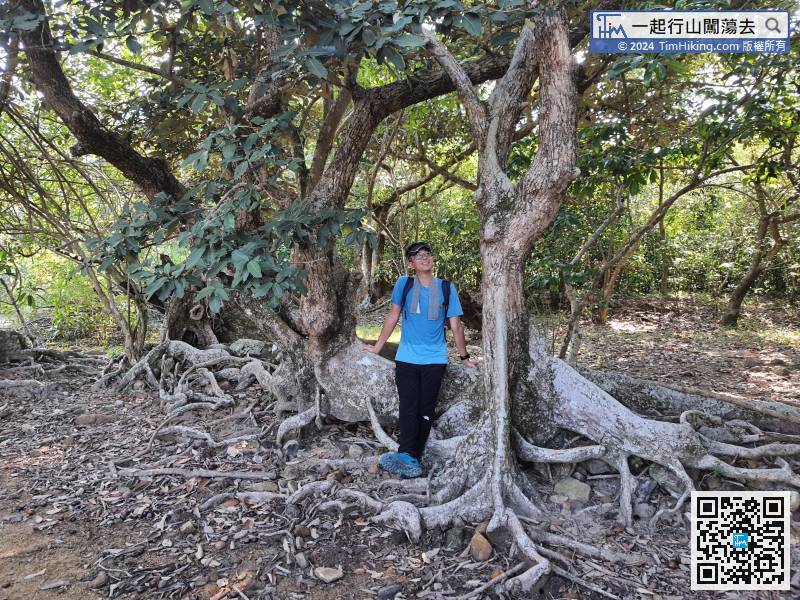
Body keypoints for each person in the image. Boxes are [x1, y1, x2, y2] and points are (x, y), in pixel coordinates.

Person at [363, 242, 479, 478]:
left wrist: (465, 357)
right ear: (411, 263)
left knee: (426, 408)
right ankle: (408, 455)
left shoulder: (446, 287)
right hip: (406, 357)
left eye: (427, 254)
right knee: (408, 406)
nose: (424, 258)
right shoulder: (404, 284)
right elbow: (393, 316)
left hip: (435, 359)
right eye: (418, 255)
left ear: (432, 259)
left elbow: (456, 326)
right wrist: (377, 347)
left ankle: (410, 457)